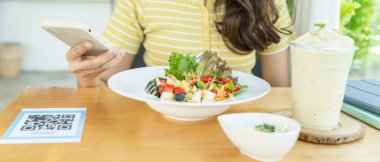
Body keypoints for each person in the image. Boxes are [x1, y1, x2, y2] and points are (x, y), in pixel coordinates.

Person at [65, 0, 296, 87]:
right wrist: (87, 76)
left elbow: (279, 93)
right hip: (158, 125)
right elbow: (106, 81)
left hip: (239, 126)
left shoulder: (269, 2)